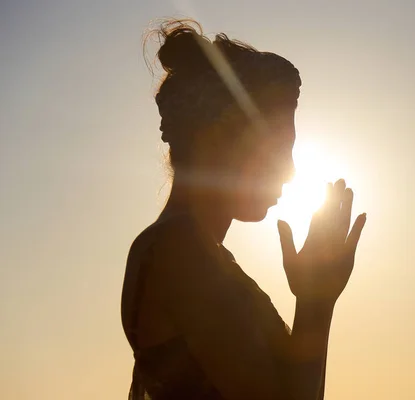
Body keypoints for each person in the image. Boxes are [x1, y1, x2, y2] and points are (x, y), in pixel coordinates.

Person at [121, 19, 367, 400]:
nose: (290, 170)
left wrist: (316, 297)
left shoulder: (201, 254)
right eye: (278, 148)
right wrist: (315, 303)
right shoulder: (177, 252)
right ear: (218, 138)